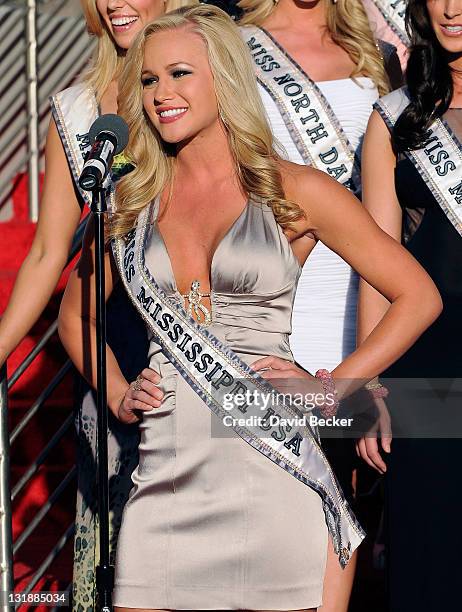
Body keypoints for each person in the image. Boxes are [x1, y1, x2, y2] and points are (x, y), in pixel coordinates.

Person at [58, 5, 442, 610]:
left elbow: (418, 294)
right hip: (163, 479)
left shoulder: (293, 188)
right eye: (150, 81)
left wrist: (336, 385)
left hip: (275, 478)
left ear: (224, 77)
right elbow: (74, 312)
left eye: (180, 73)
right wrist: (115, 391)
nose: (162, 94)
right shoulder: (132, 201)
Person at [0, 1, 197, 608]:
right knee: (115, 568)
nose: (115, 3)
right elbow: (45, 254)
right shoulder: (79, 108)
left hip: (211, 348)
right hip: (116, 357)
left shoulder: (208, 74)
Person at [237, 0, 401, 606]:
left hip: (363, 324)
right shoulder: (236, 46)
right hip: (277, 321)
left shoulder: (376, 54)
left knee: (343, 534)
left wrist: (373, 371)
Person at [357, 0, 462, 609]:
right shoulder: (395, 119)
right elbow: (376, 267)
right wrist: (370, 387)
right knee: (431, 567)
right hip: (428, 374)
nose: (450, 9)